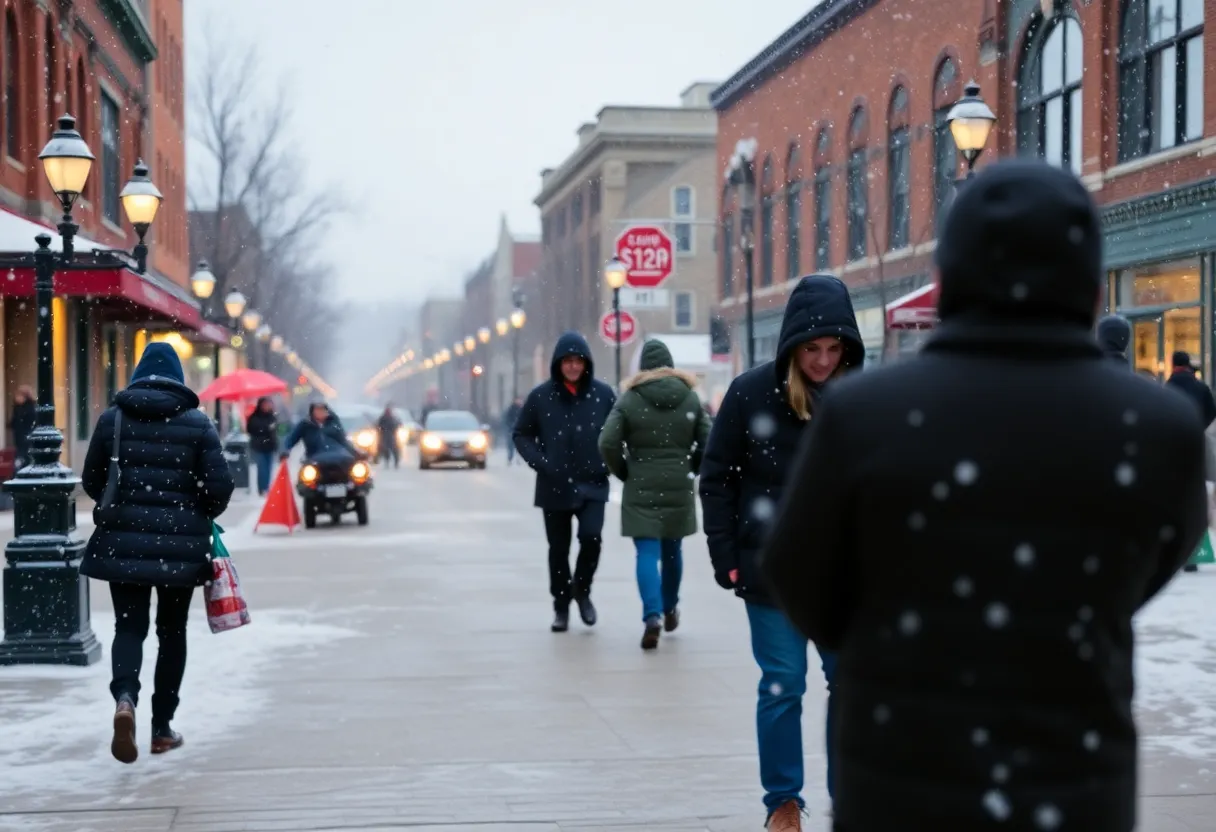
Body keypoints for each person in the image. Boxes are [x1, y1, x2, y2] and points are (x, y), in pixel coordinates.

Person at [760, 160, 1210, 832]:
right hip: (1072, 774)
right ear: (1090, 291)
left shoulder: (865, 414)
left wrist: (896, 633)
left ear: (948, 280)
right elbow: (1158, 553)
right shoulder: (1157, 428)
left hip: (899, 770)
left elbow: (801, 576)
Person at [699, 274, 865, 830]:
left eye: (833, 348)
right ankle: (783, 803)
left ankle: (851, 795)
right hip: (771, 571)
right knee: (782, 685)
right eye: (812, 348)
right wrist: (726, 554)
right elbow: (717, 477)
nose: (822, 360)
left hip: (844, 576)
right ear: (793, 344)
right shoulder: (750, 394)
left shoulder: (864, 398)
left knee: (851, 684)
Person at [78, 342, 235, 764]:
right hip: (179, 549)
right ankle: (162, 728)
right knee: (172, 634)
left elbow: (91, 479)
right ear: (179, 379)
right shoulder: (198, 424)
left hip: (123, 543)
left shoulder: (114, 419)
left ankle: (125, 699)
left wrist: (122, 507)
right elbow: (220, 488)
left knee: (128, 629)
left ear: (138, 375)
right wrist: (196, 512)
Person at [598, 339, 710, 650]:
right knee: (672, 551)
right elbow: (709, 438)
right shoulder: (689, 398)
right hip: (678, 482)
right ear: (670, 366)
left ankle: (652, 616)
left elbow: (607, 441)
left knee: (647, 553)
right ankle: (671, 605)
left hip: (641, 484)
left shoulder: (630, 399)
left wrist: (624, 471)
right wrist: (692, 466)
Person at [513, 331, 615, 632]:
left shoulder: (603, 395)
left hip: (593, 482)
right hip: (554, 484)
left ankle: (582, 590)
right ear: (558, 364)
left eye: (578, 361)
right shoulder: (541, 397)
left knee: (591, 538)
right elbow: (521, 434)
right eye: (567, 361)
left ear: (586, 363)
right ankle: (561, 606)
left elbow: (619, 432)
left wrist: (611, 462)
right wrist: (541, 462)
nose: (572, 366)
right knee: (558, 549)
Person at [282, 402, 361, 464]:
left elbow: (343, 440)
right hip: (314, 459)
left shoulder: (334, 423)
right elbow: (292, 439)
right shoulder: (305, 424)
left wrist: (356, 452)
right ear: (312, 411)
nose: (320, 412)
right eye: (317, 409)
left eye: (322, 409)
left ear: (327, 411)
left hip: (338, 458)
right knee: (304, 480)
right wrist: (285, 450)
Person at [1165, 350, 1216, 428]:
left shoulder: (1167, 388)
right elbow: (1211, 413)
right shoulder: (1202, 387)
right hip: (1196, 432)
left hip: (1173, 434)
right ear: (1188, 364)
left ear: (1173, 365)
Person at [246, 396, 280, 495]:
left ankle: (266, 487)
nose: (267, 406)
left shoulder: (272, 417)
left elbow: (275, 430)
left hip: (270, 445)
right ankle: (262, 488)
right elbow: (251, 429)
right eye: (265, 404)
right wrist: (266, 428)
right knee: (262, 468)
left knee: (269, 468)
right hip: (259, 446)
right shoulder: (254, 417)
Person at [9, 384, 35, 467]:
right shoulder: (18, 407)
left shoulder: (28, 408)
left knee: (22, 460)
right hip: (20, 439)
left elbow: (28, 422)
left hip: (25, 439)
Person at [502, 397, 523, 465]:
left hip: (518, 430)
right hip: (512, 429)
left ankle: (518, 460)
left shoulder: (521, 409)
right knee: (511, 445)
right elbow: (507, 419)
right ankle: (510, 459)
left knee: (518, 445)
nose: (519, 401)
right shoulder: (511, 409)